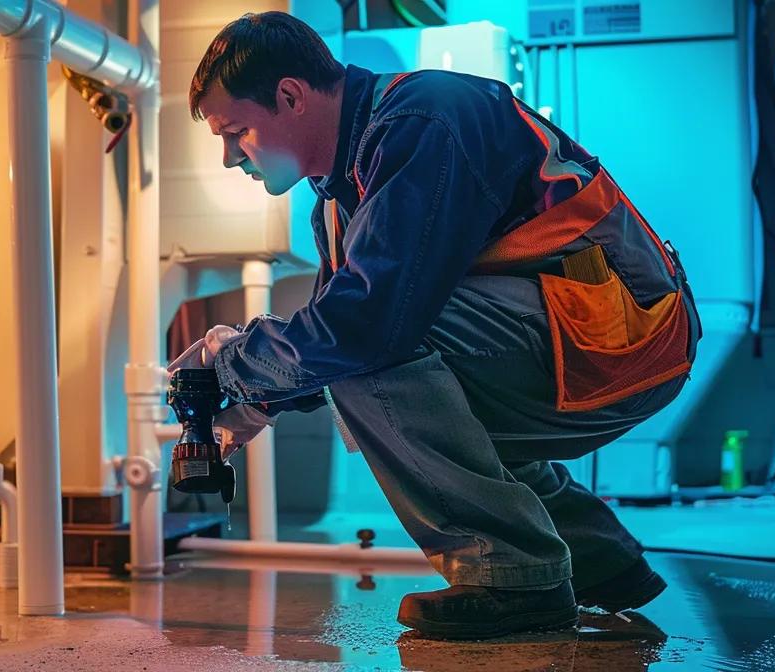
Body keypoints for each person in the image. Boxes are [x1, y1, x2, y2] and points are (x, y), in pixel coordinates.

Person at [169, 11, 701, 640]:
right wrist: (256, 405)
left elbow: (363, 328)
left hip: (625, 332)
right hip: (578, 333)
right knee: (399, 367)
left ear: (290, 96)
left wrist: (233, 358)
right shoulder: (340, 194)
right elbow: (338, 335)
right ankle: (595, 559)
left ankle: (514, 577)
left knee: (377, 346)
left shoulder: (423, 119)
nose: (230, 157)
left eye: (236, 132)